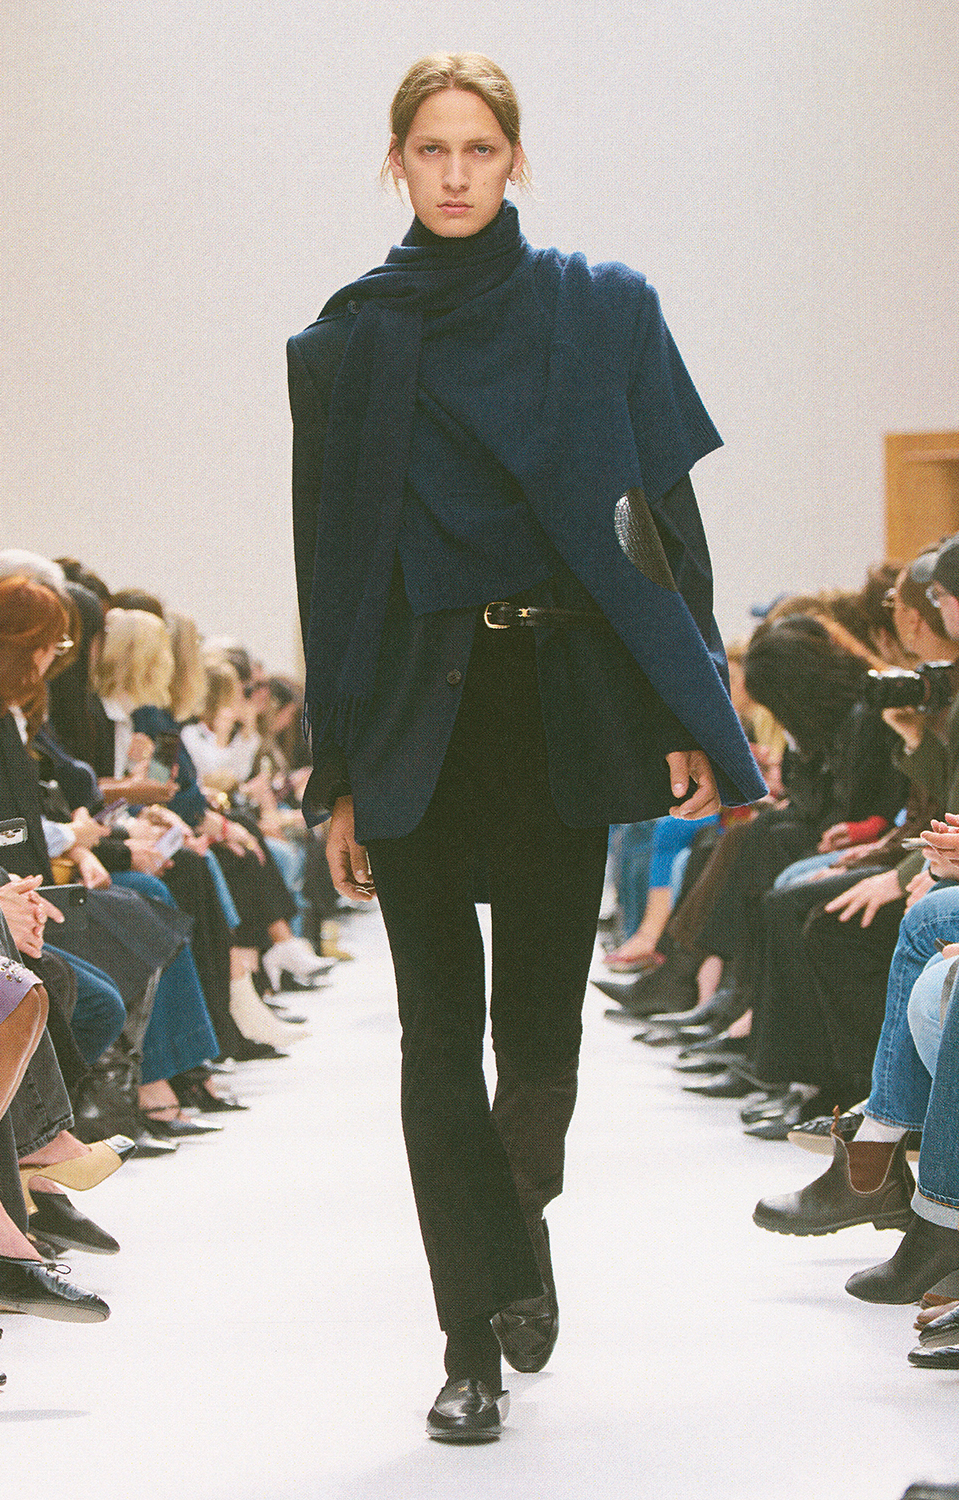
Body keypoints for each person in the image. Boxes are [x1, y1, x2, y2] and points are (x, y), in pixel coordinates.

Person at [287, 52, 765, 1443]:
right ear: (395, 162)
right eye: (430, 150)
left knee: (540, 1037)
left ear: (515, 160)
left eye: (479, 149)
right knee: (437, 1035)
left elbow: (665, 529)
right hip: (418, 711)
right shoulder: (344, 345)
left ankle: (517, 1236)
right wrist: (336, 771)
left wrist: (691, 709)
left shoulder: (601, 310)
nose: (454, 174)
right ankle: (468, 1342)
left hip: (562, 703)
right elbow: (333, 577)